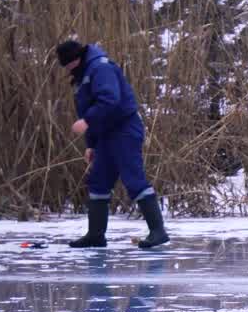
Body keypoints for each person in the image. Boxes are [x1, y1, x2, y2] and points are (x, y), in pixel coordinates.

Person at [55, 39, 169, 249]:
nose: (67, 70)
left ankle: (158, 231)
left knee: (133, 179)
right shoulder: (82, 73)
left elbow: (109, 100)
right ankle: (96, 235)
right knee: (98, 182)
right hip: (105, 135)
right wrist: (91, 144)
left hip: (124, 129)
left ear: (76, 59)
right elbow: (90, 109)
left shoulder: (100, 68)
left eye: (68, 65)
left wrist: (87, 121)